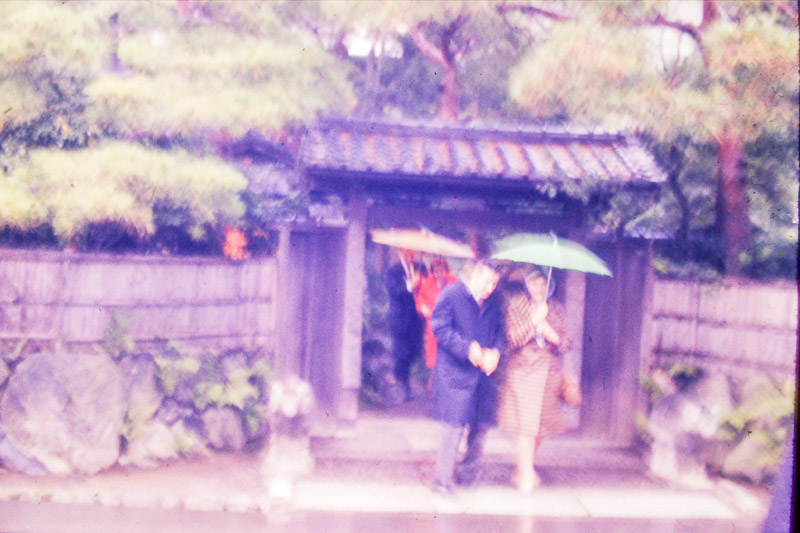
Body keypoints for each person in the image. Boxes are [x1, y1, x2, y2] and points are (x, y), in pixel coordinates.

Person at [429, 259, 506, 495]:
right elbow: (439, 327)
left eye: (494, 283)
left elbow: (502, 331)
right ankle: (442, 481)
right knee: (454, 426)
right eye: (486, 281)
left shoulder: (495, 300)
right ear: (475, 274)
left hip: (484, 373)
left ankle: (467, 475)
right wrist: (466, 348)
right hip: (455, 372)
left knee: (481, 427)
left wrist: (497, 352)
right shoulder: (452, 294)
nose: (489, 288)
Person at [497, 270, 575, 494]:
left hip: (549, 373)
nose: (539, 289)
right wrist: (533, 322)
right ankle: (526, 473)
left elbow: (567, 343)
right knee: (526, 424)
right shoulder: (516, 305)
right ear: (526, 285)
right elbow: (511, 339)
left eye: (543, 284)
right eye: (534, 284)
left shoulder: (556, 308)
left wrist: (552, 335)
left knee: (540, 427)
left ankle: (521, 468)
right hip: (523, 371)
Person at [385, 248, 426, 399]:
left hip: (416, 320)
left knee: (413, 353)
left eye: (411, 252)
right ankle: (402, 385)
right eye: (406, 252)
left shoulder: (421, 267)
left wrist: (421, 283)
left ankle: (402, 380)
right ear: (400, 253)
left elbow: (427, 287)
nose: (409, 255)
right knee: (401, 354)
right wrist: (410, 286)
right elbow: (394, 291)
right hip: (400, 319)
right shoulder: (393, 270)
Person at [415, 257, 459, 373]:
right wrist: (422, 307)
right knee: (434, 353)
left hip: (450, 322)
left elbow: (461, 299)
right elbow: (420, 300)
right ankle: (435, 376)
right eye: (436, 271)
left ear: (446, 270)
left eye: (441, 271)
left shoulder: (454, 282)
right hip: (433, 323)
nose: (439, 274)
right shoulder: (427, 284)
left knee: (449, 350)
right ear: (432, 272)